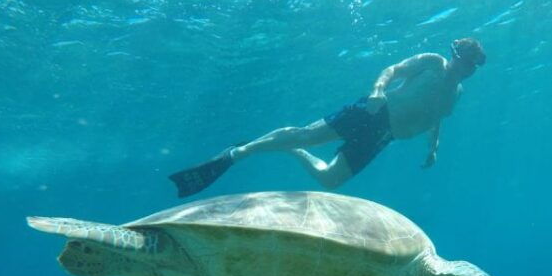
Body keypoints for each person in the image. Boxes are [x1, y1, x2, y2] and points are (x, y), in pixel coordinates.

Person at [169, 37, 486, 197]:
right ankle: (239, 153)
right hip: (375, 113)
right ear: (455, 56)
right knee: (308, 133)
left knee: (331, 180)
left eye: (472, 66)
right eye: (464, 61)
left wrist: (434, 148)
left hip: (385, 136)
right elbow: (393, 70)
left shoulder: (457, 93)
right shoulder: (432, 62)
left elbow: (435, 117)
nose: (466, 68)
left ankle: (290, 150)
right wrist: (377, 90)